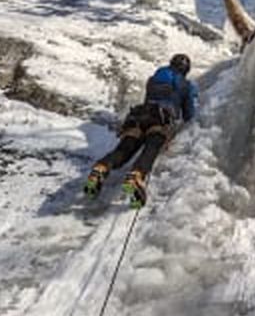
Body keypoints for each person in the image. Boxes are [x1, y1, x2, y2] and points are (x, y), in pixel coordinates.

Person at [84, 53, 199, 208]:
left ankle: (101, 168)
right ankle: (136, 176)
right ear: (185, 70)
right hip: (160, 117)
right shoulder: (186, 85)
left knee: (125, 148)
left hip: (138, 115)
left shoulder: (153, 79)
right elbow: (189, 114)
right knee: (152, 146)